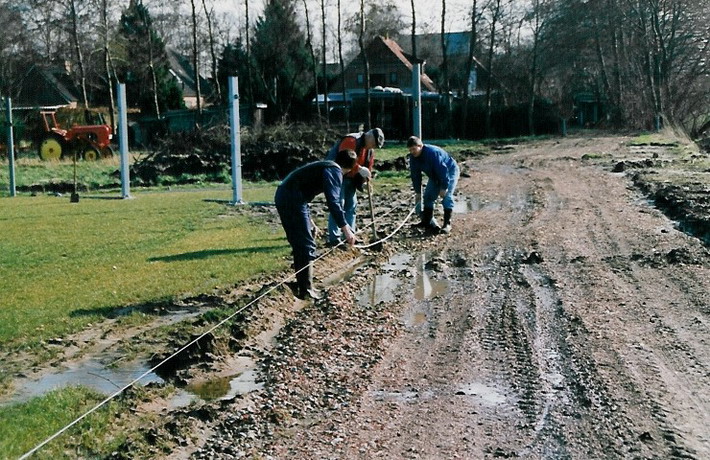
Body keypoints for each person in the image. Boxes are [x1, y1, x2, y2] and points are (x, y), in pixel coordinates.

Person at [275, 149, 358, 300]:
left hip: (289, 195)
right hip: (291, 198)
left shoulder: (326, 165)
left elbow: (303, 189)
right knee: (305, 244)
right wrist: (346, 230)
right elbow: (333, 202)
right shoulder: (334, 170)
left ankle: (303, 285)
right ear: (350, 168)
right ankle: (306, 290)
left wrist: (310, 221)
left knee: (303, 241)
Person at [325, 128, 385, 246]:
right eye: (373, 144)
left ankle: (349, 237)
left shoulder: (369, 151)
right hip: (337, 175)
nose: (373, 147)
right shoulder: (351, 140)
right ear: (369, 137)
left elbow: (368, 168)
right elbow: (343, 159)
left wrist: (365, 182)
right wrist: (359, 169)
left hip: (351, 179)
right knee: (338, 205)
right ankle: (334, 238)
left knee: (352, 206)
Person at [407, 135, 460, 234]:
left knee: (446, 196)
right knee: (428, 197)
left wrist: (444, 187)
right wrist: (418, 192)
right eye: (410, 150)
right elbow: (415, 175)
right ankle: (428, 222)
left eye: (414, 149)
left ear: (420, 146)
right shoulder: (413, 158)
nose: (412, 152)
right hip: (434, 175)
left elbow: (443, 170)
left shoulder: (432, 153)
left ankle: (447, 224)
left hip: (449, 171)